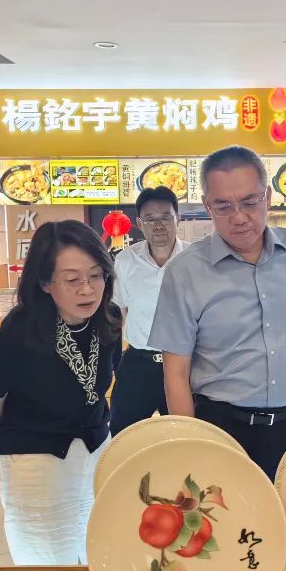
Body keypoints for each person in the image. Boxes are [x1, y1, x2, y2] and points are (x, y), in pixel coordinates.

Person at [150, 145, 286, 480]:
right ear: (207, 206)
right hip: (223, 427)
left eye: (250, 202)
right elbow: (175, 374)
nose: (239, 217)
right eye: (223, 206)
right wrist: (192, 446)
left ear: (268, 198)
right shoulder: (186, 272)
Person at [0, 220, 122, 564]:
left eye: (96, 275)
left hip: (94, 447)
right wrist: (28, 432)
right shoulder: (19, 332)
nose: (87, 290)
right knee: (47, 555)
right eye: (72, 280)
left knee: (95, 544)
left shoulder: (108, 319)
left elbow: (103, 380)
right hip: (36, 457)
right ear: (44, 283)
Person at [110, 186, 187, 434]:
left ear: (178, 219)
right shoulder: (125, 260)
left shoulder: (195, 260)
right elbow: (117, 311)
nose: (159, 226)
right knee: (123, 435)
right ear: (139, 224)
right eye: (150, 219)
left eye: (166, 217)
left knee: (186, 436)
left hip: (185, 364)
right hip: (138, 364)